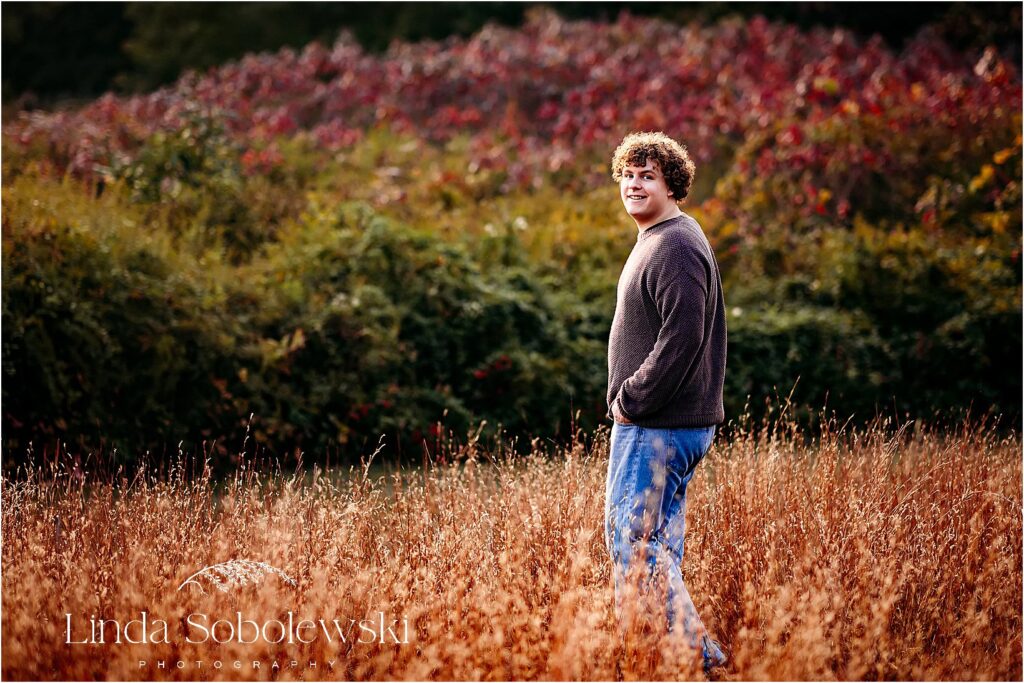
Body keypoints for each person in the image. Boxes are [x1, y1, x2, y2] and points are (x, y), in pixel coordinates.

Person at [604, 131, 728, 673]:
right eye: (628, 174)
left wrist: (632, 399)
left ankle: (697, 658)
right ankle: (661, 658)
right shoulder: (658, 237)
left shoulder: (676, 244)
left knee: (633, 544)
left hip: (659, 425)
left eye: (647, 175)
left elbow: (683, 337)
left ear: (672, 184)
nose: (634, 183)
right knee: (657, 547)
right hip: (662, 424)